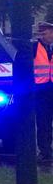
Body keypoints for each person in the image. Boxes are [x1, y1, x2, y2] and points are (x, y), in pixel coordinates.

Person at [34, 20, 53, 163]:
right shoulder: (34, 47)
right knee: (43, 124)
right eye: (46, 33)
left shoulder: (50, 48)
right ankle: (45, 152)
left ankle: (47, 151)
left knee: (46, 124)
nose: (49, 36)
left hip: (49, 89)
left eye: (50, 33)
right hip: (40, 92)